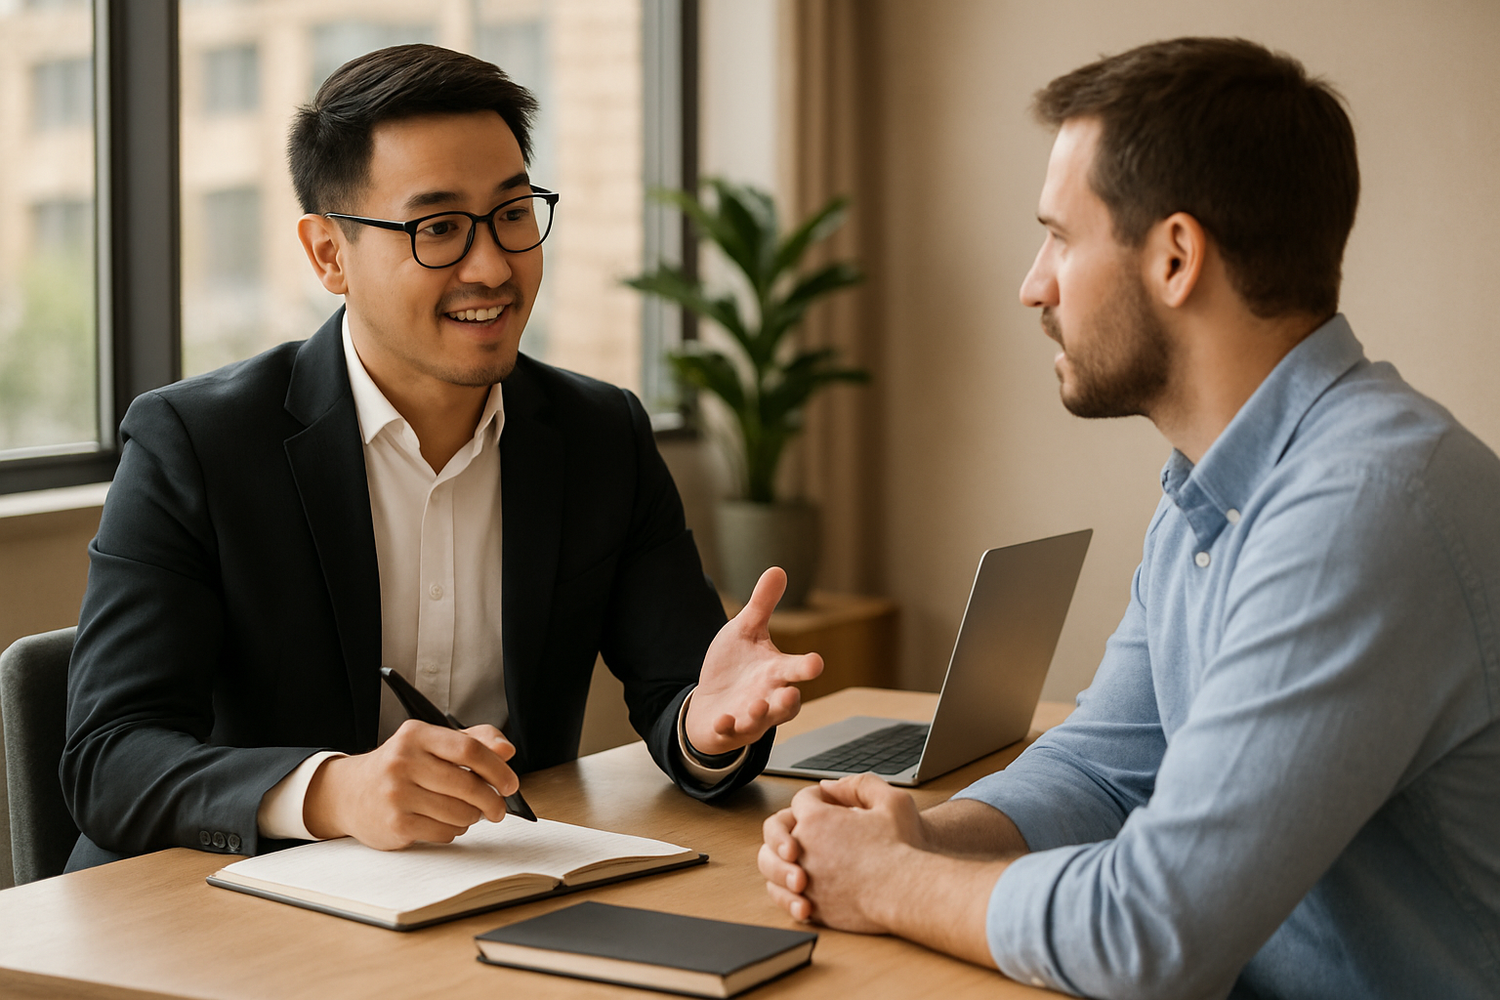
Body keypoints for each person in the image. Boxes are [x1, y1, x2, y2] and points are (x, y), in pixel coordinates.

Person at [759, 36, 1500, 1000]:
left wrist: (895, 881)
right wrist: (916, 833)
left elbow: (1153, 933)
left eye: (1062, 238)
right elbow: (1107, 768)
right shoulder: (1217, 481)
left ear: (1177, 257)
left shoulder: (1363, 512)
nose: (1035, 282)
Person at [62, 44, 821, 869]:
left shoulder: (601, 435)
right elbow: (110, 759)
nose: (492, 266)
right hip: (218, 907)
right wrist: (333, 791)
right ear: (328, 255)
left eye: (513, 213)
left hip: (481, 891)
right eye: (440, 229)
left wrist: (708, 731)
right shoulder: (196, 445)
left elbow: (687, 697)